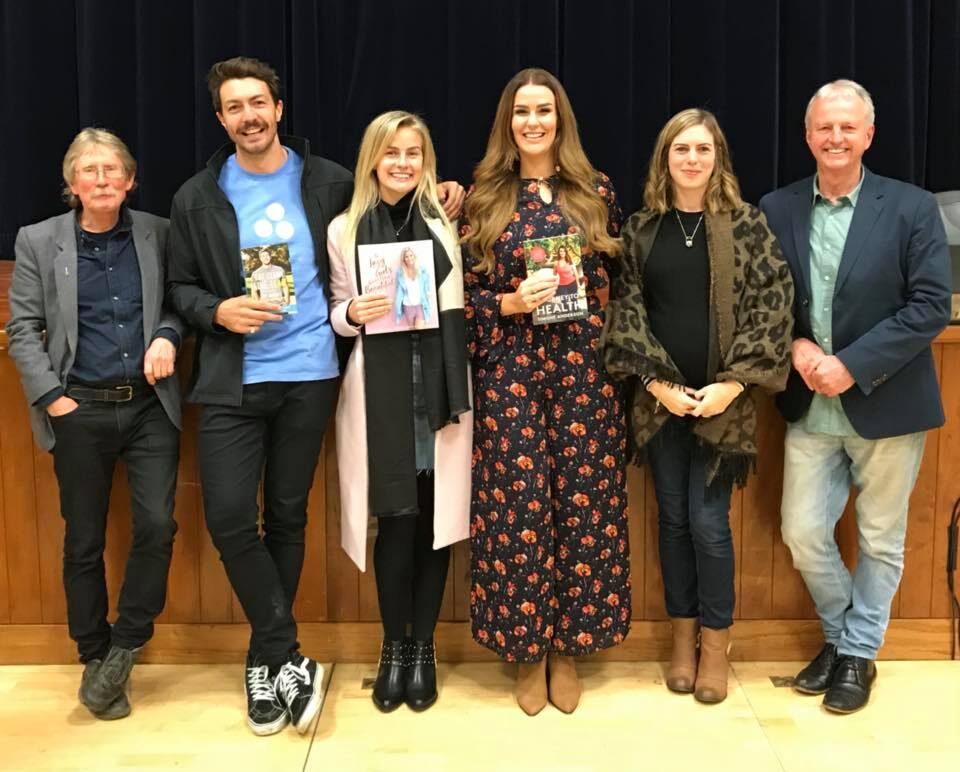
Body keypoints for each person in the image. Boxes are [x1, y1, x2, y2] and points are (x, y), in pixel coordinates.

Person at [165, 56, 463, 736]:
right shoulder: (196, 197)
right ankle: (281, 652)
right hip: (232, 378)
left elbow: (386, 214)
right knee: (232, 519)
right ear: (221, 119)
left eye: (258, 102)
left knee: (289, 518)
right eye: (234, 106)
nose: (249, 115)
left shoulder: (327, 183)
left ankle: (266, 662)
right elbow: (179, 286)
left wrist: (441, 193)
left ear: (279, 108)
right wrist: (217, 311)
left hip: (310, 376)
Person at [759, 79, 951, 714]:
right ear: (808, 136)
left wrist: (851, 363)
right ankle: (846, 641)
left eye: (848, 127)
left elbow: (930, 307)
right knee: (803, 530)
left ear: (868, 135)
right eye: (824, 128)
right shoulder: (777, 207)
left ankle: (856, 654)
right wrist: (795, 347)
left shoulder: (912, 206)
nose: (835, 138)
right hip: (809, 406)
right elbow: (763, 300)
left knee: (880, 538)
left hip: (888, 402)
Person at [602, 109, 794, 704]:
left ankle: (716, 644)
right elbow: (625, 309)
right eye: (681, 148)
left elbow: (774, 304)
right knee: (674, 520)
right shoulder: (640, 229)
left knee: (709, 526)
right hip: (659, 404)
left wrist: (731, 386)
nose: (691, 159)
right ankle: (681, 641)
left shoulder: (746, 226)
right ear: (665, 157)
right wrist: (657, 385)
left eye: (703, 149)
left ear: (718, 158)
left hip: (723, 405)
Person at [461, 68, 629, 716]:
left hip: (583, 372)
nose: (533, 122)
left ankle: (570, 648)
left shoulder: (594, 192)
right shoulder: (481, 196)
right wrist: (507, 300)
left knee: (586, 510)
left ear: (561, 120)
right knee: (517, 511)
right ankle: (526, 652)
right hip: (510, 374)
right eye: (522, 112)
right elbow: (460, 301)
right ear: (508, 121)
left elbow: (618, 280)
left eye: (545, 111)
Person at [6, 128, 183, 720]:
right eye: (89, 170)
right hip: (78, 407)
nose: (102, 179)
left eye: (112, 170)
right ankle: (92, 651)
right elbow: (22, 328)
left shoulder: (158, 232)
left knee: (157, 525)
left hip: (149, 406)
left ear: (130, 181)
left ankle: (126, 646)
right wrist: (53, 397)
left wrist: (166, 334)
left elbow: (180, 303)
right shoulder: (38, 240)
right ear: (72, 184)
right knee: (83, 539)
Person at [327, 110, 472, 713]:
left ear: (426, 158)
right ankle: (393, 646)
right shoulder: (343, 228)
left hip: (437, 390)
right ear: (372, 160)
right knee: (398, 519)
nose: (403, 163)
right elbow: (335, 310)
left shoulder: (446, 223)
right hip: (379, 394)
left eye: (413, 153)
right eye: (391, 153)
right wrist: (352, 313)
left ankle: (424, 650)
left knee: (436, 525)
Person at [394, 245, 432, 328]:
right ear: (404, 259)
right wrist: (397, 307)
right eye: (406, 256)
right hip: (408, 307)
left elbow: (427, 286)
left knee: (420, 330)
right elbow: (399, 291)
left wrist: (428, 294)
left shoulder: (422, 270)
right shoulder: (400, 273)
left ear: (414, 256)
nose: (409, 258)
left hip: (420, 306)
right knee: (412, 330)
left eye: (411, 255)